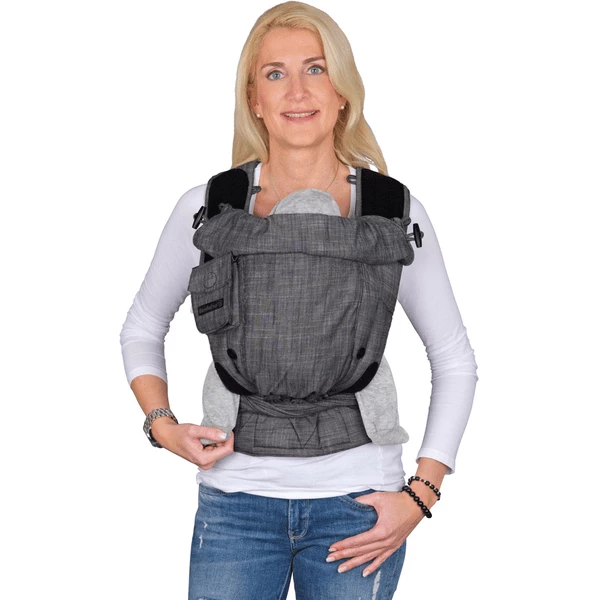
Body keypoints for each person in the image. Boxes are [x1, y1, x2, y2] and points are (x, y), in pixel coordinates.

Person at [119, 2, 479, 598]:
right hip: (235, 505)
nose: (297, 91)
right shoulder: (207, 207)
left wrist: (422, 494)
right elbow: (141, 328)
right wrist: (163, 426)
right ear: (254, 99)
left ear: (343, 92)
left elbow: (454, 358)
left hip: (360, 507)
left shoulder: (392, 211)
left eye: (316, 68)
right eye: (275, 73)